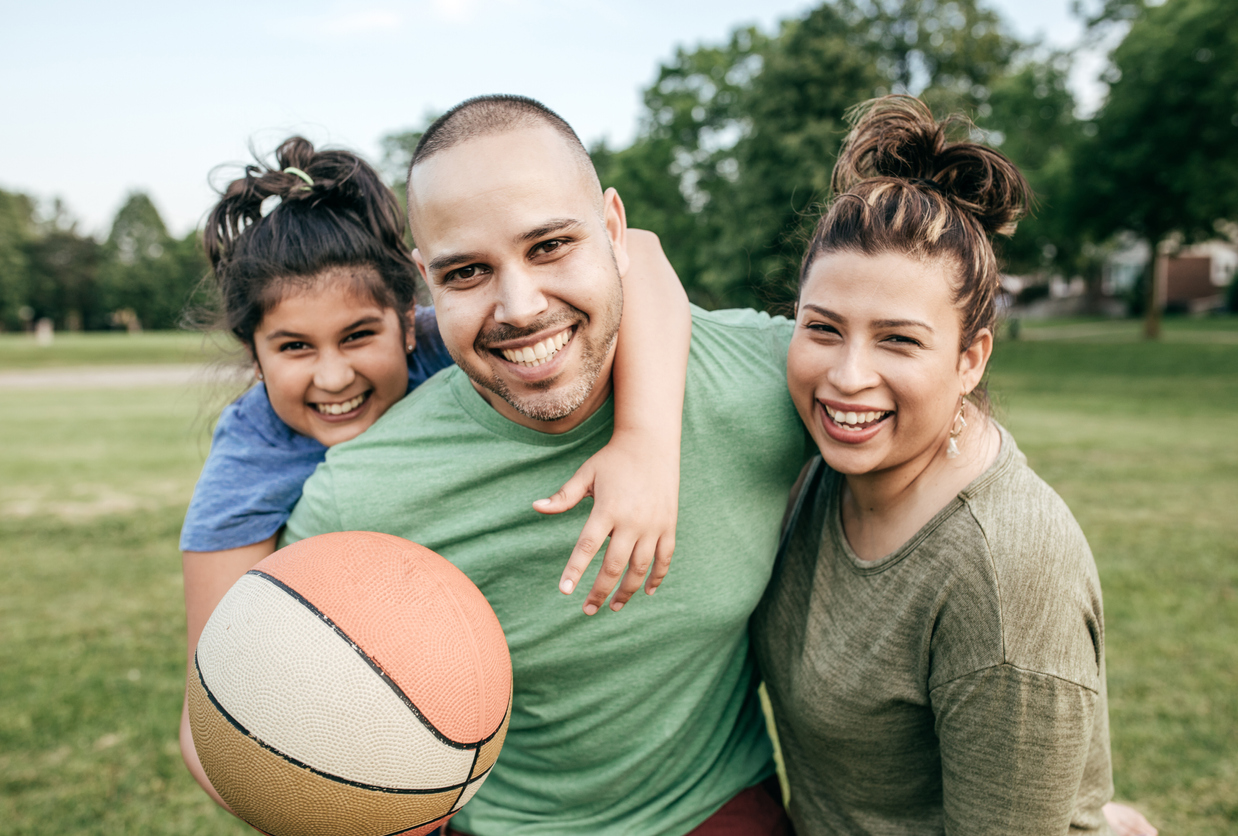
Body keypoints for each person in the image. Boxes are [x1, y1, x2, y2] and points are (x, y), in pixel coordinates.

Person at [283, 95, 811, 835]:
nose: (520, 305)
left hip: (712, 808)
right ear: (423, 280)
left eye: (551, 246)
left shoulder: (769, 380)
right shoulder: (361, 495)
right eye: (466, 271)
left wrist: (650, 443)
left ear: (615, 229)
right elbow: (274, 713)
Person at [177, 135, 697, 818]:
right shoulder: (248, 459)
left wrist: (646, 445)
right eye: (294, 347)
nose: (333, 376)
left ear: (407, 319)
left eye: (359, 335)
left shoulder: (459, 343)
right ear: (254, 355)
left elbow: (646, 253)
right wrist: (336, 811)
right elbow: (207, 714)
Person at [752, 95, 1132, 835]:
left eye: (898, 340)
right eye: (823, 328)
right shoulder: (817, 460)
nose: (847, 377)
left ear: (970, 358)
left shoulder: (1006, 575)